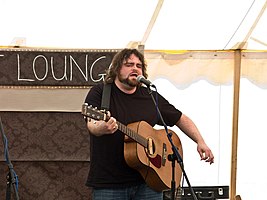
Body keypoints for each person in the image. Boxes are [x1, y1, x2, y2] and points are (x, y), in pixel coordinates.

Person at [84, 48, 214, 200]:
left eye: (139, 66)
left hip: (149, 181)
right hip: (109, 183)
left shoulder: (150, 95)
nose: (135, 68)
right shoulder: (101, 92)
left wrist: (200, 141)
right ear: (117, 69)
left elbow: (179, 118)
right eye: (129, 64)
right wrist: (101, 128)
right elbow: (91, 124)